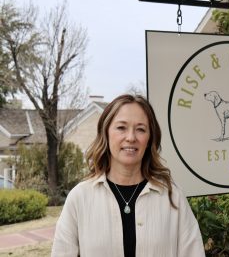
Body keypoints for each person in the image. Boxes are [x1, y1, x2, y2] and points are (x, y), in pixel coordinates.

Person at [51, 94, 205, 257]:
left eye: (140, 129)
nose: (131, 137)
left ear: (149, 139)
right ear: (106, 133)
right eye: (121, 127)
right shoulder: (79, 198)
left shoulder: (172, 197)